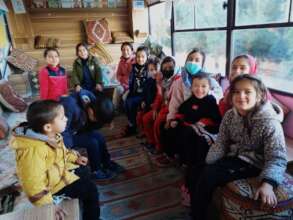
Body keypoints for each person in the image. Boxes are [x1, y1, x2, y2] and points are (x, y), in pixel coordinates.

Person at [190, 75, 287, 220]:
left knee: (208, 175)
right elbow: (222, 141)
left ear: (259, 95)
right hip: (234, 156)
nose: (241, 96)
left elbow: (277, 158)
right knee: (196, 168)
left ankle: (198, 215)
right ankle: (198, 204)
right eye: (236, 91)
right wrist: (208, 161)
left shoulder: (270, 123)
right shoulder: (230, 115)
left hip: (255, 164)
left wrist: (268, 183)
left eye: (247, 92)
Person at [11, 100, 100, 220]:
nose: (66, 119)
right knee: (91, 190)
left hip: (58, 172)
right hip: (52, 186)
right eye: (62, 118)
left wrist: (75, 158)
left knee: (84, 171)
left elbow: (62, 152)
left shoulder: (51, 135)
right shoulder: (33, 151)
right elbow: (33, 184)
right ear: (48, 127)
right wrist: (48, 205)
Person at [60, 89, 123, 180]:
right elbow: (62, 132)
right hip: (63, 135)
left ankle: (106, 163)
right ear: (91, 112)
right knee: (91, 142)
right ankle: (95, 171)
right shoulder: (69, 106)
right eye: (98, 120)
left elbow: (92, 124)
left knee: (99, 137)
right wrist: (69, 150)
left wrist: (108, 120)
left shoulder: (92, 101)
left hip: (78, 128)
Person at [166, 48, 223, 128]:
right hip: (188, 114)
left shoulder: (208, 79)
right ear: (186, 62)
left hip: (205, 117)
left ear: (202, 64)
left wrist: (206, 93)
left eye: (197, 60)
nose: (193, 62)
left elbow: (219, 94)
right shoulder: (180, 81)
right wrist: (171, 118)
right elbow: (175, 101)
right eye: (190, 59)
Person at [122, 46, 149, 136]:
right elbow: (131, 81)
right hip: (134, 92)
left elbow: (150, 86)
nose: (140, 59)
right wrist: (128, 91)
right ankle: (132, 122)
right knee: (125, 102)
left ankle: (132, 126)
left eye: (143, 56)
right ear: (135, 57)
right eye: (138, 56)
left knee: (130, 103)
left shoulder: (148, 69)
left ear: (147, 57)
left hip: (144, 95)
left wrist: (145, 99)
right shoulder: (133, 68)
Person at [136, 56, 161, 138]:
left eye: (155, 69)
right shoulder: (148, 81)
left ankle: (151, 139)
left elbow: (160, 96)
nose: (153, 72)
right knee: (139, 116)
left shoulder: (159, 82)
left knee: (146, 118)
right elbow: (144, 93)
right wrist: (143, 101)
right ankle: (144, 132)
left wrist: (154, 105)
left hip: (155, 106)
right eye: (151, 70)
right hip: (147, 105)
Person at [112, 42, 135, 111]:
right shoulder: (121, 61)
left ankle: (127, 110)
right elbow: (118, 75)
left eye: (128, 50)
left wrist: (124, 78)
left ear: (132, 50)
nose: (125, 52)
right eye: (123, 50)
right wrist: (124, 79)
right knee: (117, 89)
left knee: (125, 97)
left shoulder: (135, 61)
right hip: (123, 85)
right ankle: (115, 109)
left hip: (132, 86)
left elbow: (132, 78)